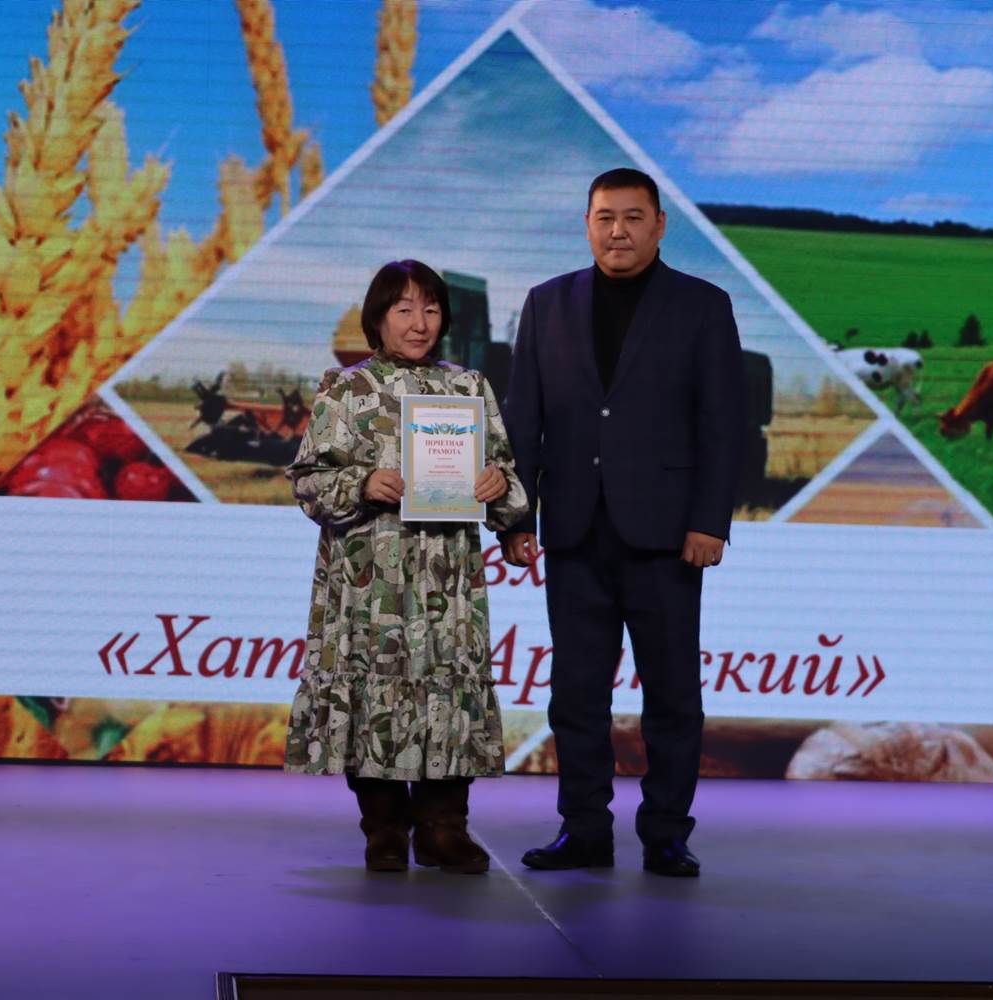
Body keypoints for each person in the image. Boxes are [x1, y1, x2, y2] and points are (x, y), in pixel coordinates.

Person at [499, 168, 747, 878]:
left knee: (672, 695)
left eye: (634, 217)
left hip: (669, 537)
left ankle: (666, 834)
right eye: (605, 217)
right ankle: (584, 831)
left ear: (660, 226)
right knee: (576, 696)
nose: (618, 231)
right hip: (574, 533)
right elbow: (524, 419)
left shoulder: (702, 306)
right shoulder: (547, 303)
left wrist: (710, 522)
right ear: (587, 224)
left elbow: (722, 425)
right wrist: (515, 518)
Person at [284, 259, 529, 874]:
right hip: (370, 578)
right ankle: (384, 828)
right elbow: (308, 483)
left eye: (431, 309)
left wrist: (499, 485)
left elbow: (508, 478)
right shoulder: (345, 389)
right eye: (404, 309)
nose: (420, 323)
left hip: (448, 576)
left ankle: (445, 828)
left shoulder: (469, 387)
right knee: (375, 691)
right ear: (378, 318)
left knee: (448, 687)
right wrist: (363, 483)